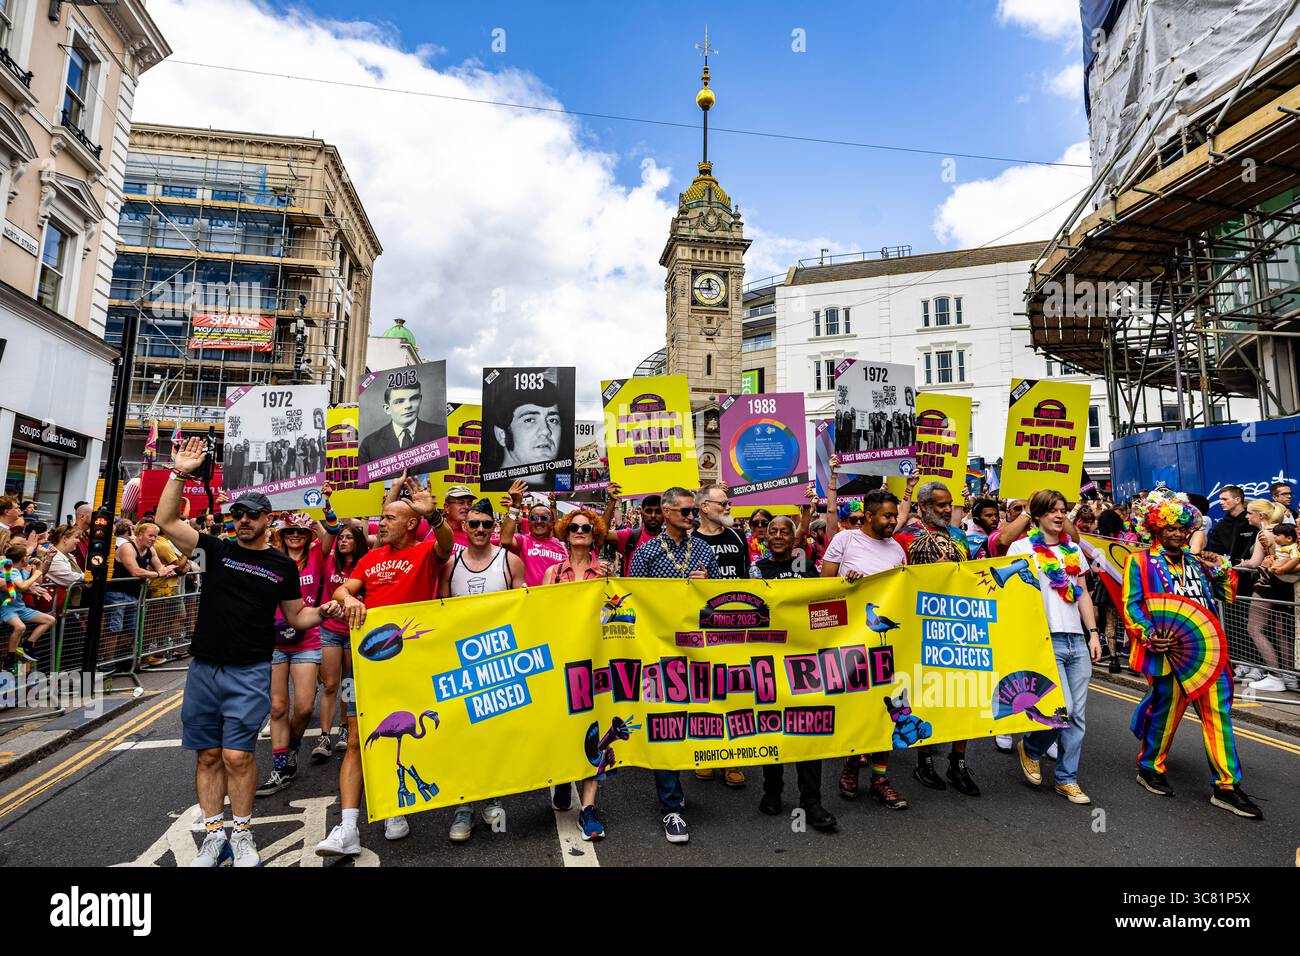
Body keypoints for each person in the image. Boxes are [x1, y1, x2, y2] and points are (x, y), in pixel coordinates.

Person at [161, 437, 346, 867]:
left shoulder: (281, 566)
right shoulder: (215, 550)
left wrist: (326, 610)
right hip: (204, 667)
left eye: (251, 514)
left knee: (238, 755)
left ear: (268, 519)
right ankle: (213, 836)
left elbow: (297, 617)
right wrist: (180, 471)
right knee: (207, 755)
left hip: (248, 670)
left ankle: (241, 833)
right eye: (237, 513)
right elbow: (167, 519)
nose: (242, 520)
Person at [317, 477, 454, 857]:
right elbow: (345, 588)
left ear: (411, 523)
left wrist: (435, 516)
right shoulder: (371, 557)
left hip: (409, 665)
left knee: (402, 739)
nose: (381, 523)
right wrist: (349, 597)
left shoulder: (426, 552)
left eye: (390, 517)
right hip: (365, 664)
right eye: (381, 517)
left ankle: (396, 807)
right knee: (357, 738)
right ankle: (346, 829)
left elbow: (447, 545)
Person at [1123, 489, 1262, 819]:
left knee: (1219, 716)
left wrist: (1223, 568)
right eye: (1169, 528)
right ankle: (1149, 767)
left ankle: (1227, 786)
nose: (1176, 533)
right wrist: (1148, 634)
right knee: (1165, 713)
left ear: (1189, 530)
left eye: (1182, 528)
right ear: (1157, 529)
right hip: (1168, 653)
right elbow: (1132, 606)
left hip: (1207, 654)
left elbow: (1226, 596)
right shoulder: (1139, 562)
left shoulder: (1199, 563)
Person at [629, 486, 720, 844]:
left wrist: (707, 586)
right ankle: (671, 806)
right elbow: (632, 600)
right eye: (685, 511)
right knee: (665, 721)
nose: (692, 517)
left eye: (694, 511)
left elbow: (719, 601)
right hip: (658, 649)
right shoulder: (647, 552)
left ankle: (691, 773)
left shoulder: (703, 549)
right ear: (666, 512)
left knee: (694, 717)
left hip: (697, 649)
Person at [1006, 491, 1101, 804]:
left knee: (1078, 716)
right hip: (1046, 638)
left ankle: (1066, 779)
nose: (1060, 516)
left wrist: (1094, 634)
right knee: (1064, 709)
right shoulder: (1021, 548)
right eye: (1053, 511)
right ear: (1038, 516)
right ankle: (1031, 747)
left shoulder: (1073, 549)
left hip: (1076, 638)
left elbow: (1083, 593)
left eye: (1063, 511)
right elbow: (1012, 595)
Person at [437, 498, 525, 840]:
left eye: (486, 525)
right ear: (464, 526)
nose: (480, 530)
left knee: (493, 737)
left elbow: (523, 610)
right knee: (462, 737)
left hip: (498, 662)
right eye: (473, 524)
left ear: (494, 527)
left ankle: (492, 797)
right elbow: (439, 614)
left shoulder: (511, 562)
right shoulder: (451, 565)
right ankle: (463, 807)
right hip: (461, 664)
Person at [820, 487, 910, 811]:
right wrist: (848, 584)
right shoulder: (844, 541)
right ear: (869, 516)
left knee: (891, 708)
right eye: (887, 516)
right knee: (858, 708)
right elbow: (823, 589)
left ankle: (880, 778)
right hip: (852, 643)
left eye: (895, 515)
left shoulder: (898, 550)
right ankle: (851, 763)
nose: (893, 521)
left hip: (888, 646)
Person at [893, 481, 980, 795]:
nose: (947, 510)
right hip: (922, 626)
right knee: (928, 694)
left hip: (959, 625)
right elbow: (895, 580)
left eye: (949, 504)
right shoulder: (904, 538)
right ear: (924, 506)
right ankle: (924, 759)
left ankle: (958, 761)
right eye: (940, 505)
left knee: (964, 692)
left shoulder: (959, 537)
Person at [752, 514, 837, 832]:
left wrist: (849, 583)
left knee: (807, 730)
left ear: (794, 537)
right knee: (772, 726)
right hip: (769, 661)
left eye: (783, 531)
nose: (776, 536)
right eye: (771, 531)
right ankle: (771, 791)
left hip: (804, 663)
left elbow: (821, 603)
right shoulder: (755, 570)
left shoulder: (806, 568)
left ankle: (811, 802)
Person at [256, 504, 339, 797]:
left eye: (300, 532)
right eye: (289, 531)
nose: (294, 535)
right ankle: (280, 767)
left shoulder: (317, 555)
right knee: (278, 707)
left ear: (307, 535)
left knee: (304, 707)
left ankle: (292, 745)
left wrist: (324, 504)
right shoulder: (273, 559)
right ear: (280, 534)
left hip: (307, 637)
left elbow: (332, 530)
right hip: (275, 640)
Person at [542, 507, 612, 839]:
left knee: (593, 731)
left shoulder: (606, 574)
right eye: (574, 528)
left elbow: (616, 616)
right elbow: (540, 616)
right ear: (566, 535)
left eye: (586, 528)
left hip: (594, 661)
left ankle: (588, 809)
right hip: (560, 660)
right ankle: (560, 778)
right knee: (561, 726)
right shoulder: (553, 573)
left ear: (595, 534)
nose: (580, 531)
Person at [689, 482, 749, 789]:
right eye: (722, 503)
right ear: (704, 507)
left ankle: (733, 758)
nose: (727, 507)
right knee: (703, 692)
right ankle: (705, 753)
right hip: (701, 629)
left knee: (734, 691)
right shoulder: (689, 540)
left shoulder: (738, 537)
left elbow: (747, 577)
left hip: (735, 626)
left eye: (727, 502)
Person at [316, 522, 368, 762]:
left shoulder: (365, 565)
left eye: (349, 537)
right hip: (330, 631)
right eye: (341, 538)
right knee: (329, 685)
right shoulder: (328, 561)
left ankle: (345, 727)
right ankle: (324, 736)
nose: (343, 541)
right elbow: (327, 536)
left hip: (354, 631)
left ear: (358, 541)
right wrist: (326, 513)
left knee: (349, 683)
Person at [1237, 501, 1297, 692]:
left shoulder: (1264, 533)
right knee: (1282, 632)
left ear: (1260, 516)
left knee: (1254, 629)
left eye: (1249, 513)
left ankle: (1275, 676)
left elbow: (1255, 563)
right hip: (1285, 588)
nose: (1247, 517)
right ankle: (1290, 677)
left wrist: (1241, 563)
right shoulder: (1281, 531)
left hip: (1267, 586)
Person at [485, 378, 564, 489]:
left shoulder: (562, 490)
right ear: (502, 435)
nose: (546, 431)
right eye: (529, 420)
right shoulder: (488, 489)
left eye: (552, 420)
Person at [359, 379, 445, 476]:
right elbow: (365, 484)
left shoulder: (441, 434)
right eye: (399, 401)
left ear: (420, 400)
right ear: (387, 409)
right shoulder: (369, 444)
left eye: (414, 398)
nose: (408, 406)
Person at [500, 480, 567, 586]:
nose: (539, 521)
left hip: (556, 598)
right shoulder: (523, 541)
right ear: (529, 522)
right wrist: (515, 506)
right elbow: (505, 540)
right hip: (529, 598)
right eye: (534, 518)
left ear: (552, 522)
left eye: (544, 517)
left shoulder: (564, 546)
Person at [1, 544, 54, 668]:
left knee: (50, 620)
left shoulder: (20, 570)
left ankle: (28, 645)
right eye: (27, 556)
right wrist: (35, 574)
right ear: (23, 558)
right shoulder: (10, 570)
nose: (29, 558)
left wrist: (37, 566)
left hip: (20, 607)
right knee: (20, 627)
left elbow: (38, 582)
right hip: (7, 608)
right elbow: (23, 586)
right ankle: (10, 657)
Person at [607, 488, 663, 576]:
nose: (653, 515)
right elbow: (601, 533)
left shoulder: (674, 540)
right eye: (648, 511)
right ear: (642, 513)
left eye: (658, 511)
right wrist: (611, 503)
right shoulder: (630, 536)